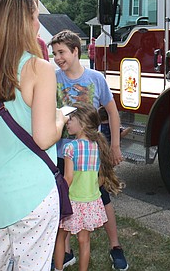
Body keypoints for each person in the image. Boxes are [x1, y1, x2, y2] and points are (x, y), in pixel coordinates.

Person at [0, 0, 65, 270]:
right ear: (24, 21)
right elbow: (45, 136)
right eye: (35, 17)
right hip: (31, 192)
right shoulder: (39, 68)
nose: (38, 24)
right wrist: (60, 118)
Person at [50, 29, 128, 271]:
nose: (58, 58)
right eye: (54, 53)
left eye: (62, 52)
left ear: (76, 51)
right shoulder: (53, 79)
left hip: (91, 152)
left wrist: (114, 145)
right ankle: (67, 252)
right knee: (66, 198)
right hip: (62, 152)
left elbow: (112, 112)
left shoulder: (96, 78)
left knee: (100, 197)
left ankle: (115, 247)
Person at [54, 103, 123, 271]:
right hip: (90, 202)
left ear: (82, 123)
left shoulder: (70, 147)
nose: (67, 123)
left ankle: (58, 268)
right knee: (84, 241)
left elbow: (68, 178)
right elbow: (101, 178)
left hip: (71, 202)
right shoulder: (97, 146)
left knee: (60, 237)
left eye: (71, 119)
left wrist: (58, 194)